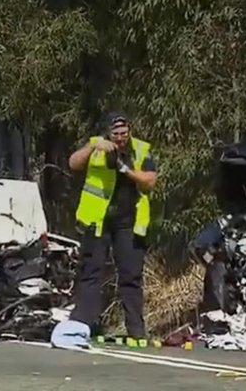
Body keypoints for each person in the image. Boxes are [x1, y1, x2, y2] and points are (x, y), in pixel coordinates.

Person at [66, 112, 158, 341]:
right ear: (108, 133)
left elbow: (150, 181)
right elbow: (73, 163)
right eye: (115, 134)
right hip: (98, 221)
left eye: (123, 134)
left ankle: (136, 331)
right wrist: (93, 146)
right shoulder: (97, 145)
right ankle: (82, 326)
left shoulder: (140, 149)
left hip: (129, 222)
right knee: (91, 274)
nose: (120, 138)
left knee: (131, 276)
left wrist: (125, 169)